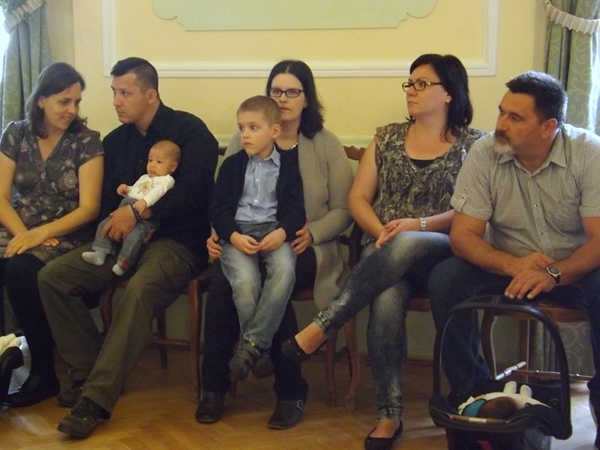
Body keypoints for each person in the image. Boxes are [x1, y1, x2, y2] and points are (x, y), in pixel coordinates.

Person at [280, 54, 484, 450]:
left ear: (449, 93)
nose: (411, 90)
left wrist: (415, 226)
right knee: (387, 298)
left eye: (422, 83)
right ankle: (388, 415)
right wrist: (381, 232)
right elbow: (358, 198)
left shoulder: (475, 145)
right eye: (409, 83)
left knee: (406, 241)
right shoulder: (387, 137)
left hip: (443, 252)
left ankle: (323, 325)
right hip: (386, 253)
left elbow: (472, 211)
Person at [37, 57, 219, 439]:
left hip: (176, 243)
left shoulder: (190, 131)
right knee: (53, 276)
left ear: (150, 95)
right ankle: (89, 372)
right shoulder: (115, 142)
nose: (116, 101)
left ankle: (94, 402)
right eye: (114, 92)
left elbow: (196, 192)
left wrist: (141, 213)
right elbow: (107, 202)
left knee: (137, 290)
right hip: (120, 243)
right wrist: (114, 223)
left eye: (125, 93)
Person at [426, 71, 600, 450]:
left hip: (573, 269)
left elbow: (599, 240)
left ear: (548, 127)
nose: (501, 124)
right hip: (508, 266)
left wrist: (555, 272)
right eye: (502, 112)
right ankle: (473, 397)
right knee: (446, 278)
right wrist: (514, 265)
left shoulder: (589, 153)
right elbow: (463, 236)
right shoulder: (485, 152)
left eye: (515, 117)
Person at [198, 60, 354, 429]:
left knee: (278, 279)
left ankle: (289, 390)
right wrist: (218, 233)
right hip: (244, 239)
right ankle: (214, 388)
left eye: (292, 91)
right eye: (276, 90)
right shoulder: (245, 138)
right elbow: (224, 198)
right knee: (221, 285)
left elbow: (345, 209)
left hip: (305, 245)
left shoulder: (325, 143)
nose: (283, 98)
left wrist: (312, 232)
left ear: (306, 98)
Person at [0, 62, 103, 407]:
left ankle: (43, 373)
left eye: (76, 102)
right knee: (12, 260)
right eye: (64, 101)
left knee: (20, 271)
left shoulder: (86, 141)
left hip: (65, 232)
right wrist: (25, 235)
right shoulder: (16, 133)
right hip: (20, 226)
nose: (72, 110)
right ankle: (5, 353)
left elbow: (88, 208)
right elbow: (0, 196)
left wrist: (41, 234)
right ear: (42, 100)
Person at [211, 95, 304, 381]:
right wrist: (233, 236)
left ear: (274, 131)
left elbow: (297, 210)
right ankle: (259, 351)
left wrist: (282, 232)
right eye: (241, 128)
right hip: (239, 233)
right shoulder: (232, 165)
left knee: (285, 271)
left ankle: (250, 346)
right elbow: (218, 210)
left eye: (253, 128)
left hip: (273, 232)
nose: (245, 135)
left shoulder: (288, 166)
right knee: (245, 281)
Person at [82, 140, 180, 276]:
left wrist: (145, 202)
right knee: (104, 225)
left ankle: (124, 263)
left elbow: (156, 192)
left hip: (144, 216)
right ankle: (100, 251)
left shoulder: (166, 180)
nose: (152, 165)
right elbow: (137, 190)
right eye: (150, 160)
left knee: (134, 237)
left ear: (173, 167)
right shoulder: (145, 177)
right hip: (128, 204)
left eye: (159, 162)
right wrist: (127, 190)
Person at [457, 381, 548, 420]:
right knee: (524, 401)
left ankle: (508, 391)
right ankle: (524, 395)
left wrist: (476, 400)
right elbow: (545, 410)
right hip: (522, 400)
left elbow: (462, 407)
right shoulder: (518, 419)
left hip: (492, 398)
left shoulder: (470, 412)